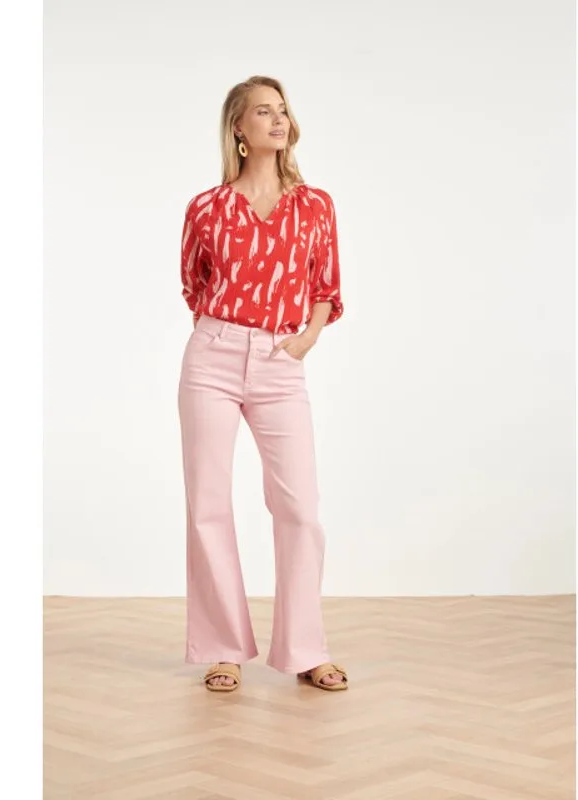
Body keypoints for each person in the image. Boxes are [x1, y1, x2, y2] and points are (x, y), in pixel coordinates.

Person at [178, 76, 348, 693]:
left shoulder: (315, 205)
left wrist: (304, 340)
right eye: (263, 111)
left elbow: (327, 288)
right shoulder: (206, 208)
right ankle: (222, 647)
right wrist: (225, 336)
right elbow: (194, 285)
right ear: (239, 129)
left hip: (281, 360)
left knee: (299, 508)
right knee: (208, 506)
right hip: (213, 358)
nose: (278, 119)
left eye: (282, 110)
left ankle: (305, 648)